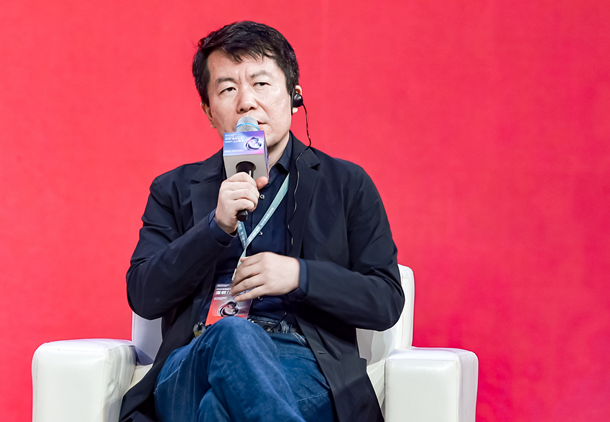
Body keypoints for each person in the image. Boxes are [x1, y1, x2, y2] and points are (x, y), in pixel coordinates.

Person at [120, 21, 404, 422]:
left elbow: (385, 300)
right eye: (227, 89)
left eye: (261, 84)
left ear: (294, 96)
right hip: (194, 359)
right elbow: (144, 295)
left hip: (302, 365)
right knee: (232, 334)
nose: (246, 102)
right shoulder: (174, 189)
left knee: (217, 410)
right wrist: (213, 228)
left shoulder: (346, 184)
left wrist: (299, 275)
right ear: (208, 111)